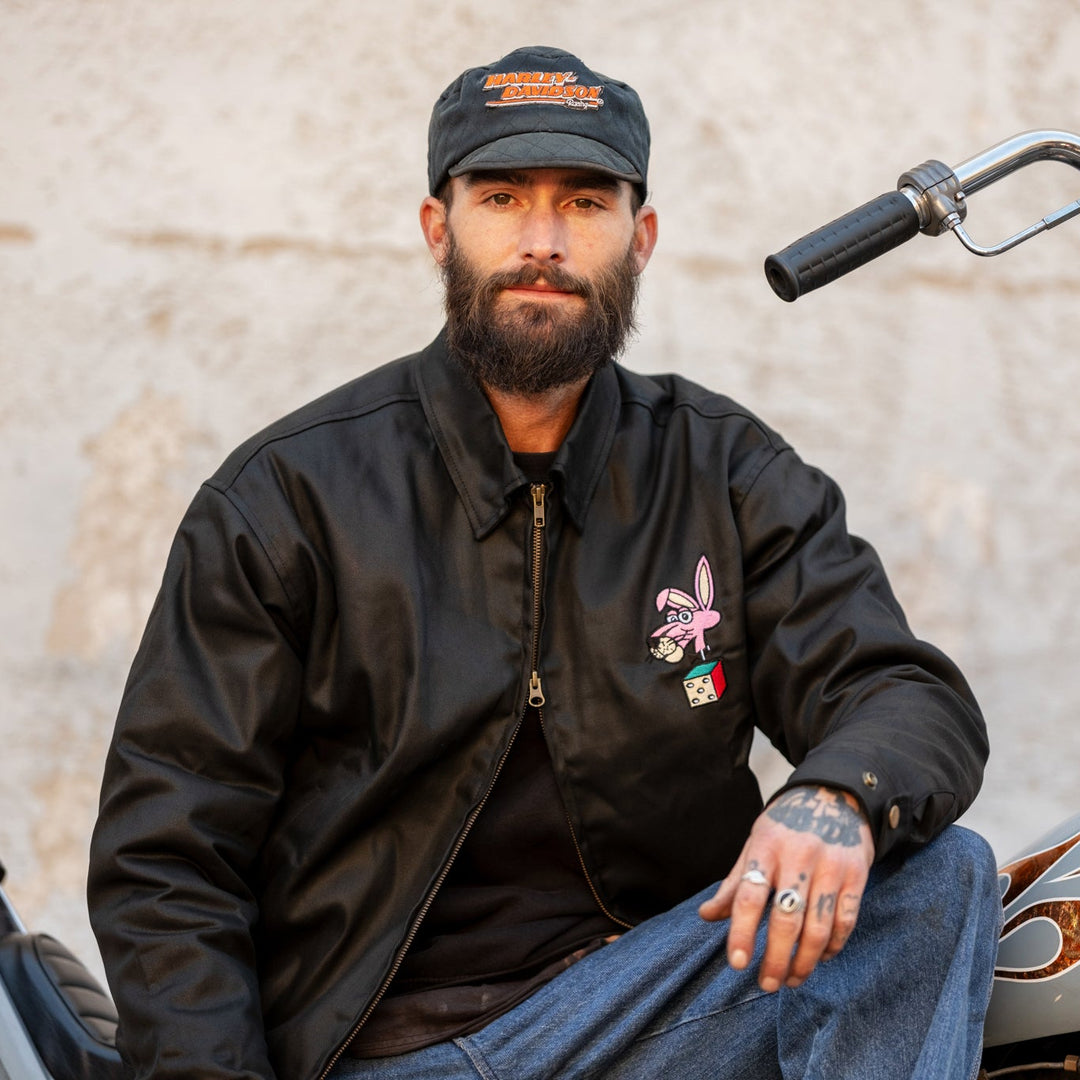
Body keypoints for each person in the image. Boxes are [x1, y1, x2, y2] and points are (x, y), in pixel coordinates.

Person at [87, 45, 1002, 1080]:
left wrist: (837, 795)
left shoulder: (724, 474)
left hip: (646, 1014)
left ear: (640, 239)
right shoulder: (288, 499)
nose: (542, 240)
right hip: (394, 1055)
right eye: (502, 198)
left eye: (584, 202)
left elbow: (902, 690)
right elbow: (168, 860)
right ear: (438, 229)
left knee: (933, 882)